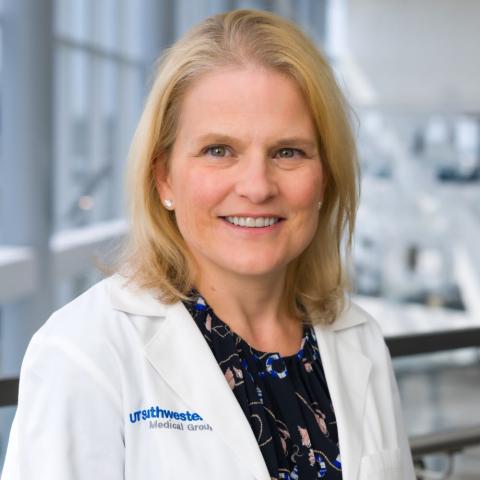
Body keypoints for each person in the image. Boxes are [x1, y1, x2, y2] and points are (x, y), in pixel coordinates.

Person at [2, 9, 415, 480]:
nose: (257, 186)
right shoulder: (85, 352)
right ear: (164, 178)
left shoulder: (359, 338)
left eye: (288, 152)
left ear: (324, 178)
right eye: (219, 150)